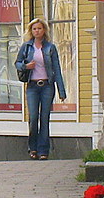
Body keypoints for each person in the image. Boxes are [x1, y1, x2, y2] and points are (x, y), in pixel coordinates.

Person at [15, 17, 67, 160]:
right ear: (31, 31)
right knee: (33, 117)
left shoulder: (50, 48)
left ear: (44, 30)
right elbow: (17, 63)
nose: (37, 31)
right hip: (32, 86)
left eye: (39, 28)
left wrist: (61, 91)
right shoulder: (26, 47)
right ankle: (33, 148)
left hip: (47, 86)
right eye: (34, 29)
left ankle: (43, 150)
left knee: (44, 118)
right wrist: (26, 66)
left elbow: (56, 69)